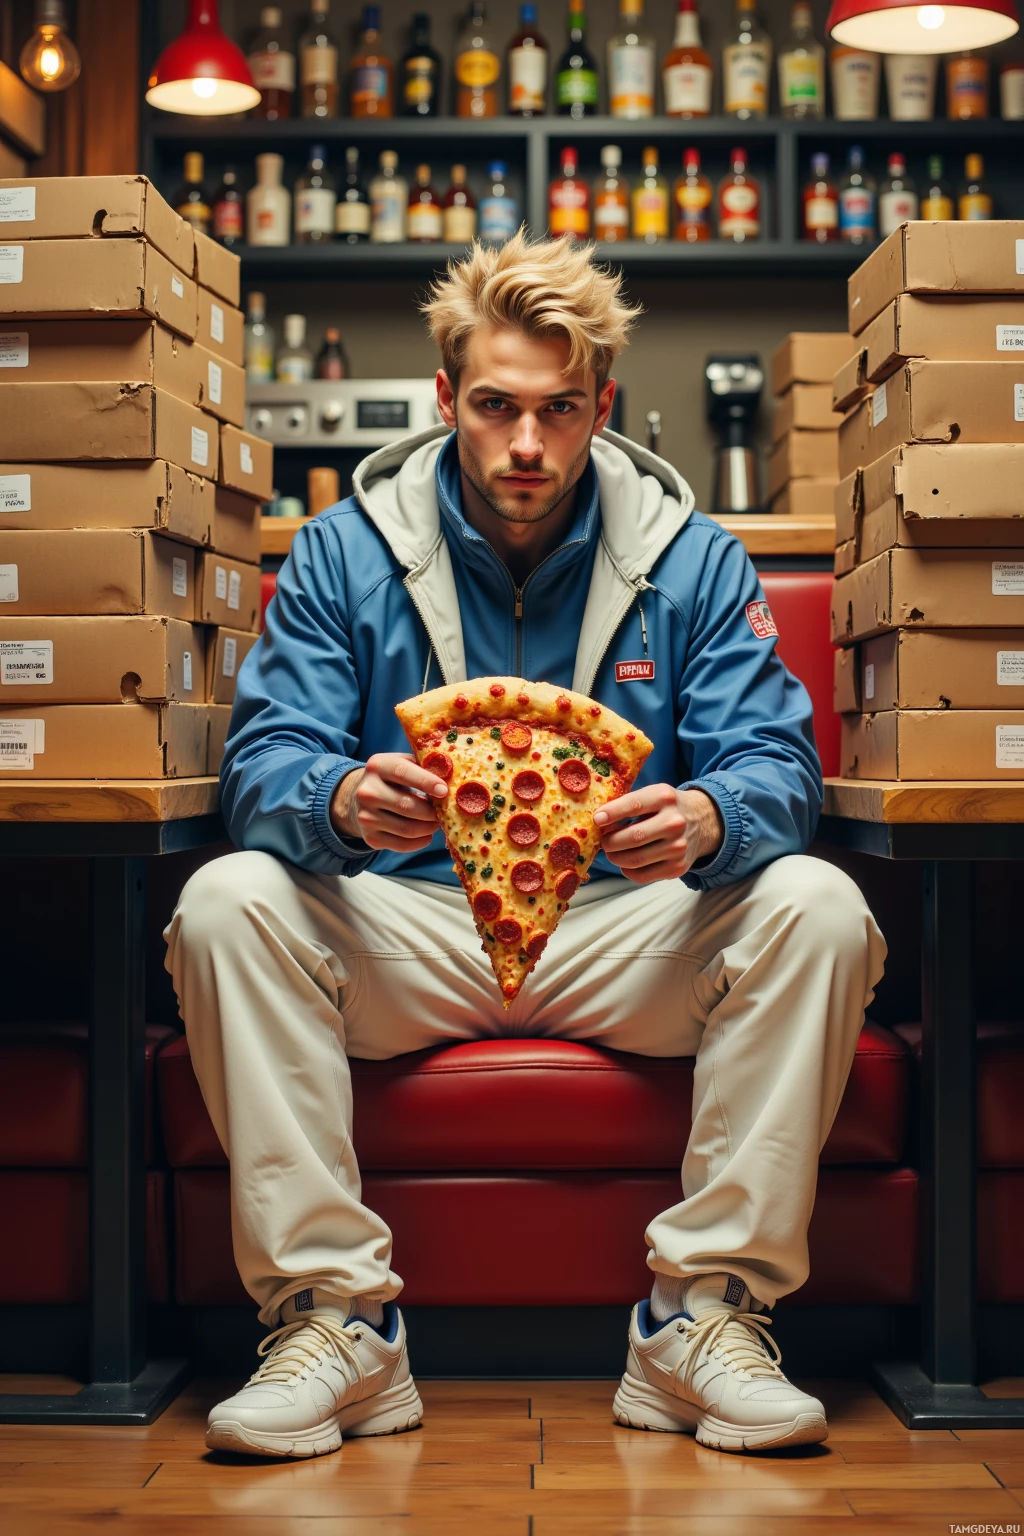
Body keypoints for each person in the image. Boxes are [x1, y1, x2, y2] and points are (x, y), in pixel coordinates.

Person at [164, 231, 885, 1460]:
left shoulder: (689, 555)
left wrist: (712, 818)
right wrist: (336, 800)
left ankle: (698, 1320)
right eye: (494, 407)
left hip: (622, 927)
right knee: (230, 898)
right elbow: (263, 764)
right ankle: (338, 1329)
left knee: (815, 903)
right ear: (447, 396)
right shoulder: (348, 548)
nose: (525, 448)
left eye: (559, 411)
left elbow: (778, 766)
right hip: (412, 926)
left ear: (603, 405)